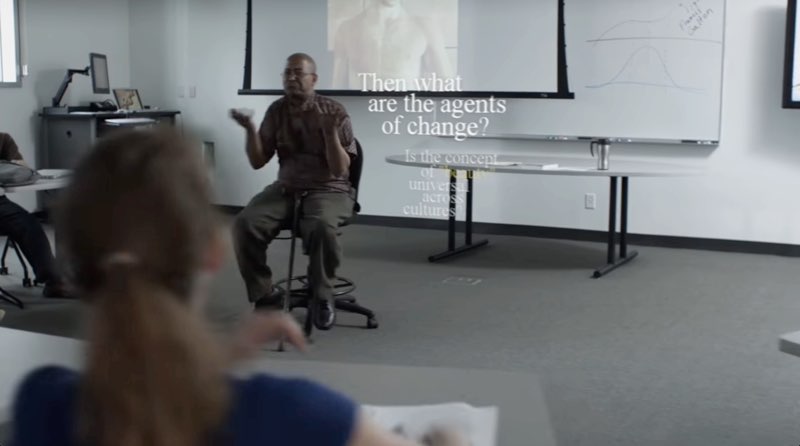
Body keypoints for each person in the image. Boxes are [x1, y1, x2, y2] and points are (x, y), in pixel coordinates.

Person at [8, 128, 466, 446]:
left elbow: (146, 395)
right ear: (214, 248)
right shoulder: (293, 412)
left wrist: (215, 355)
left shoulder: (41, 400)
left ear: (75, 263)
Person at [230, 52, 357, 330]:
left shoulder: (333, 111)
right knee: (245, 223)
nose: (290, 78)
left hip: (329, 189)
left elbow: (340, 170)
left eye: (298, 73)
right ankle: (265, 296)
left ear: (314, 78)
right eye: (287, 73)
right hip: (287, 188)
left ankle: (323, 296)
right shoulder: (277, 110)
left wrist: (329, 134)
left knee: (322, 226)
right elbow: (257, 161)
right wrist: (250, 128)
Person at [0, 132, 68, 298]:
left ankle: (54, 282)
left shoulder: (3, 139)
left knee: (29, 225)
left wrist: (13, 165)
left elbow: (23, 168)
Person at [331, 0, 454, 89]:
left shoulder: (424, 27)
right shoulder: (346, 29)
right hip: (359, 116)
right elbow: (337, 87)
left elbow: (447, 84)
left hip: (406, 116)